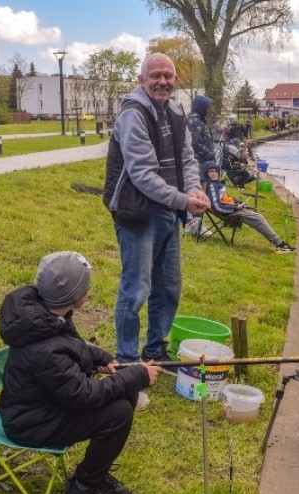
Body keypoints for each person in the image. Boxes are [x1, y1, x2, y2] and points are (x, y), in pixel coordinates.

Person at [0, 251, 161, 494]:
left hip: (39, 404)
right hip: (29, 423)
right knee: (118, 413)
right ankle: (83, 488)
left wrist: (102, 359)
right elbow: (86, 396)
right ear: (74, 296)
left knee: (124, 392)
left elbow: (70, 345)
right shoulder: (46, 350)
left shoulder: (46, 315)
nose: (89, 290)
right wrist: (137, 375)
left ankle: (96, 474)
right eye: (86, 286)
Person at [102, 53, 210, 396]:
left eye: (168, 75)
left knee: (169, 287)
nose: (163, 81)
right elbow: (143, 176)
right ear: (141, 79)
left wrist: (193, 187)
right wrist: (184, 201)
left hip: (167, 210)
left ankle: (154, 351)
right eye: (156, 76)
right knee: (136, 289)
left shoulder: (176, 111)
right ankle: (127, 362)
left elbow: (188, 158)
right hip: (138, 212)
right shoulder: (133, 115)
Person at [202, 161, 295, 253]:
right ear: (206, 173)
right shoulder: (212, 186)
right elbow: (217, 207)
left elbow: (225, 199)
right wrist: (236, 208)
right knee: (258, 218)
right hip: (227, 213)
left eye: (215, 171)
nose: (214, 174)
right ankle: (280, 244)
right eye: (211, 171)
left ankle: (278, 243)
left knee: (257, 215)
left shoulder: (216, 184)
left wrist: (239, 203)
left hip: (231, 209)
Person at [184, 94, 217, 236]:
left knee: (200, 191)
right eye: (207, 107)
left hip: (202, 162)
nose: (209, 110)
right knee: (198, 192)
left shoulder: (198, 120)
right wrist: (209, 154)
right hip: (197, 163)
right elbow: (195, 143)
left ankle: (196, 223)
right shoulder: (195, 121)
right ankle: (195, 226)